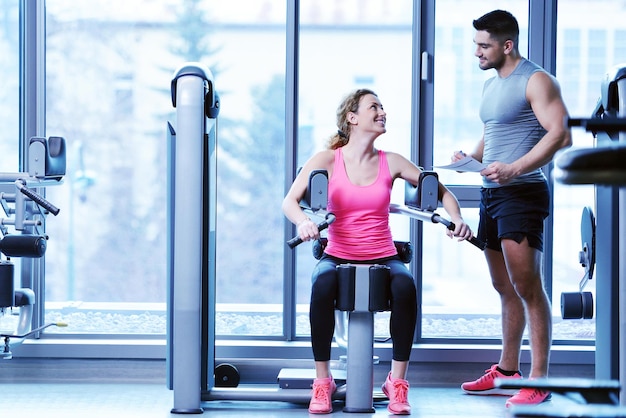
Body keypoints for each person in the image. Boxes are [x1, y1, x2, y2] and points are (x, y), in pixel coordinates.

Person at [282, 88, 474, 415]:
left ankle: (396, 382)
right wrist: (302, 222)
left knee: (405, 286)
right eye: (374, 107)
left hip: (383, 253)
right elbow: (289, 201)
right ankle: (322, 381)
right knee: (322, 285)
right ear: (352, 118)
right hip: (338, 251)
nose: (382, 111)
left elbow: (442, 192)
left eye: (383, 107)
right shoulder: (328, 160)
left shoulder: (393, 161)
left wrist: (456, 218)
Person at [455, 10, 572, 408]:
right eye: (475, 44)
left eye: (483, 45)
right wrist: (467, 158)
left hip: (522, 192)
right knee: (503, 287)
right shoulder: (492, 85)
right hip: (493, 192)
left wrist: (515, 168)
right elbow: (495, 135)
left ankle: (539, 380)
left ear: (507, 45)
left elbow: (561, 133)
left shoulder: (536, 80)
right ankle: (507, 371)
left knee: (528, 288)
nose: (476, 52)